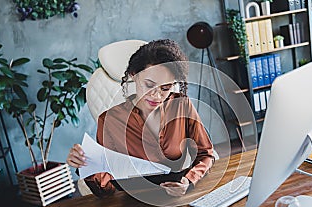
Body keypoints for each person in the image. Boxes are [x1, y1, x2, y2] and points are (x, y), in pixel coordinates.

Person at [66, 39, 214, 197]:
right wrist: (85, 165)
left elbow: (206, 153)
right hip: (131, 202)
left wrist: (188, 181)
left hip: (176, 196)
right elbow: (105, 189)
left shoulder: (181, 105)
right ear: (133, 76)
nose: (156, 96)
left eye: (165, 88)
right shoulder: (109, 120)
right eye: (149, 85)